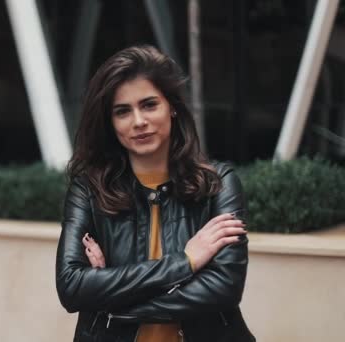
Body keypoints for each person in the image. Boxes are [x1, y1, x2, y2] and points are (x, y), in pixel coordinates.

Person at [55, 45, 255, 342]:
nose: (138, 121)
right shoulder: (88, 191)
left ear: (171, 107)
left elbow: (223, 289)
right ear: (111, 123)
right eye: (122, 111)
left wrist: (110, 297)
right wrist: (186, 262)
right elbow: (72, 288)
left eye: (149, 105)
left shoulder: (217, 184)